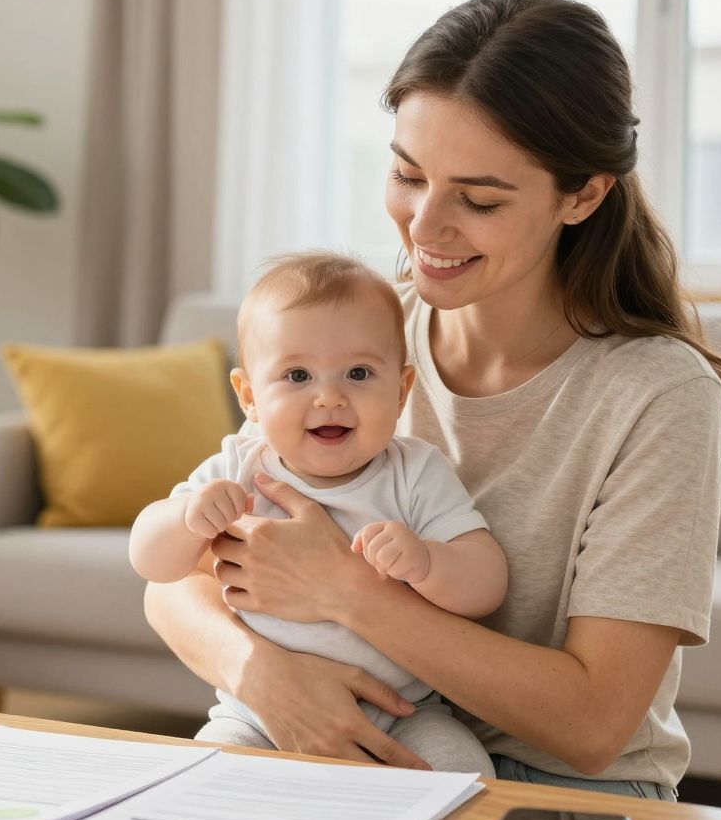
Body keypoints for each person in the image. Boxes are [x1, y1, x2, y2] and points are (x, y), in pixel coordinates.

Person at [143, 0, 721, 801]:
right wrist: (265, 678)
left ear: (584, 194)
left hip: (558, 787)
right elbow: (176, 580)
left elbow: (597, 725)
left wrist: (348, 594)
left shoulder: (657, 394)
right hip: (325, 728)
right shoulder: (357, 345)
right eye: (407, 174)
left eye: (479, 198)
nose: (424, 227)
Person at [129, 251, 508, 773]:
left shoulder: (415, 472)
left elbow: (487, 583)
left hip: (405, 712)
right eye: (298, 375)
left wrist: (428, 563)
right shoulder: (239, 464)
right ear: (249, 397)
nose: (329, 397)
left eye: (358, 373)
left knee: (468, 780)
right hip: (259, 711)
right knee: (208, 775)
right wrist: (187, 518)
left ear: (400, 392)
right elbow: (151, 563)